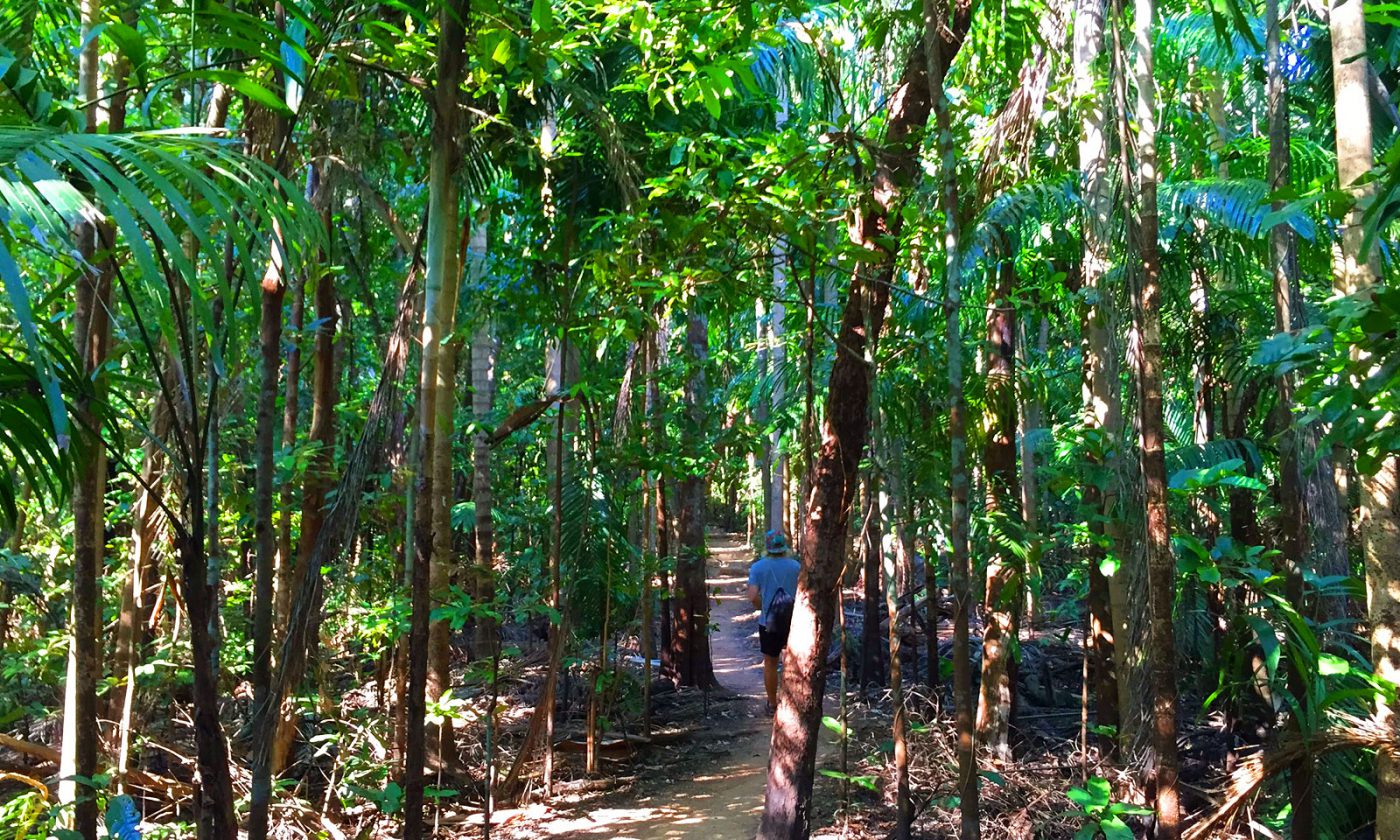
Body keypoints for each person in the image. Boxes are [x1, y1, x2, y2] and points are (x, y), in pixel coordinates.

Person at [747, 530, 801, 713]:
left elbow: (753, 596)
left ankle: (772, 703)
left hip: (768, 623)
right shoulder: (796, 566)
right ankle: (793, 702)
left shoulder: (757, 568)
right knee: (792, 661)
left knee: (770, 662)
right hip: (793, 622)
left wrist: (761, 606)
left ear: (767, 547)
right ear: (784, 546)